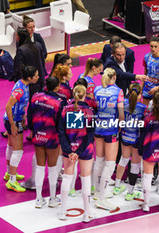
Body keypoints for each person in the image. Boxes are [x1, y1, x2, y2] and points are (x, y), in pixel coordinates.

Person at [58, 84, 96, 222]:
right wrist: (79, 151)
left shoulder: (65, 110)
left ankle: (62, 211)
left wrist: (69, 150)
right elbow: (90, 134)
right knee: (85, 179)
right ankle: (87, 213)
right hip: (85, 149)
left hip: (69, 149)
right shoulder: (89, 110)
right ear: (85, 94)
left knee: (67, 178)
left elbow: (61, 132)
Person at [29, 76, 65, 208]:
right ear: (57, 87)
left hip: (38, 135)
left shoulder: (35, 97)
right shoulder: (59, 102)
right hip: (52, 137)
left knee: (39, 166)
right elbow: (61, 123)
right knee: (52, 167)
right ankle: (52, 198)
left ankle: (38, 199)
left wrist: (34, 130)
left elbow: (29, 115)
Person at [92, 67, 124, 211]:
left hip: (98, 127)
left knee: (99, 159)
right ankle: (102, 199)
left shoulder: (97, 90)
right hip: (111, 129)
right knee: (110, 164)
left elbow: (95, 108)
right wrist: (121, 126)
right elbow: (121, 113)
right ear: (115, 77)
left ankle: (95, 190)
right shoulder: (118, 91)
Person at [3, 66, 39, 192]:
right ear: (29, 77)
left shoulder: (24, 85)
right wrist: (12, 125)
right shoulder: (20, 89)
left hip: (17, 118)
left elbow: (21, 104)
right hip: (13, 120)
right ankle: (12, 181)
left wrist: (23, 116)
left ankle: (9, 173)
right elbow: (8, 106)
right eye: (36, 75)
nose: (38, 77)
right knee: (18, 151)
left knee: (11, 146)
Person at [113, 83, 146, 201]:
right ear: (140, 94)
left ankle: (117, 186)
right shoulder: (142, 108)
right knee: (135, 165)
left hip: (125, 136)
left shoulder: (123, 104)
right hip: (136, 139)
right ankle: (130, 192)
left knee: (123, 159)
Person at [142, 36, 159, 105]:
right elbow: (145, 73)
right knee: (146, 112)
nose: (153, 49)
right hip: (147, 89)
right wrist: (141, 89)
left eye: (155, 46)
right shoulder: (146, 57)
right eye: (151, 46)